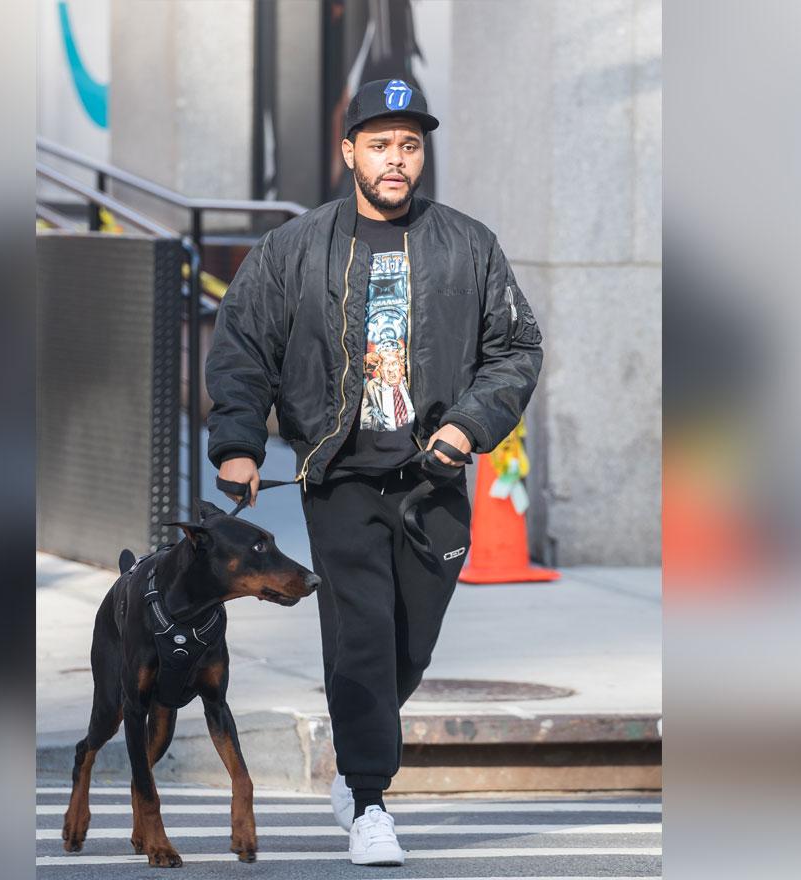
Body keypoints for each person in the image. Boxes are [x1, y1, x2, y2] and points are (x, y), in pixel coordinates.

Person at [205, 76, 544, 866]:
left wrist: (468, 426)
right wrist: (238, 444)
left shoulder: (468, 244)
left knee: (408, 645)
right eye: (382, 144)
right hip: (340, 476)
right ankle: (368, 799)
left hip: (435, 478)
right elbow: (244, 346)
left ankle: (362, 750)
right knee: (360, 634)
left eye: (411, 145)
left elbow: (516, 348)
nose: (398, 161)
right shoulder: (294, 249)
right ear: (349, 150)